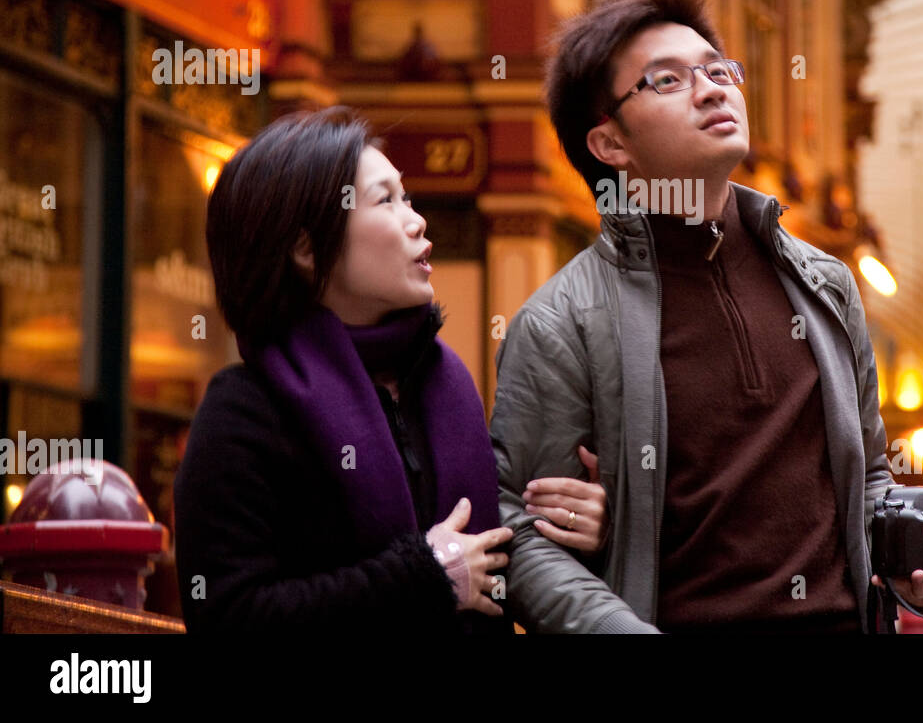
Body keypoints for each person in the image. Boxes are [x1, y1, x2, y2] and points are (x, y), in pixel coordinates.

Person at [490, 0, 923, 633]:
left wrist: (920, 572)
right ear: (610, 146)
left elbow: (870, 481)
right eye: (666, 80)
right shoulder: (562, 323)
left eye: (718, 70)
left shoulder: (825, 286)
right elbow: (520, 527)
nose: (713, 88)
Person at [174, 107, 607, 632]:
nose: (416, 220)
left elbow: (494, 568)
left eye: (408, 198)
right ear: (307, 249)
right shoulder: (246, 410)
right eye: (385, 201)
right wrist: (421, 578)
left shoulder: (445, 384)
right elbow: (227, 615)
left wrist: (581, 530)